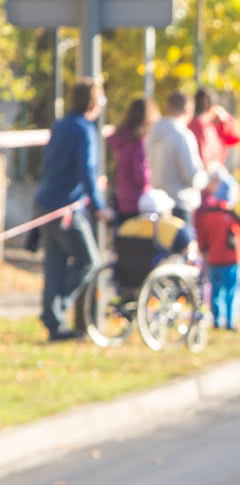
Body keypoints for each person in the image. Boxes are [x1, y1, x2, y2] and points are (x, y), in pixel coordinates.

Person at [33, 78, 110, 343]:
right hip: (65, 208)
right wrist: (98, 205)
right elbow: (86, 170)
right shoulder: (84, 130)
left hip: (45, 202)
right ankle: (56, 311)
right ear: (94, 102)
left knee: (54, 265)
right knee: (89, 260)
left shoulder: (61, 125)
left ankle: (54, 323)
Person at [193, 172, 240, 331]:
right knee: (232, 292)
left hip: (214, 259)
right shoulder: (232, 216)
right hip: (232, 260)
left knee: (216, 291)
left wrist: (204, 251)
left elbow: (202, 239)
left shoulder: (207, 216)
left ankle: (217, 320)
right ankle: (230, 322)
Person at [145, 90, 207, 221]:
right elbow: (192, 176)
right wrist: (205, 178)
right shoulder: (182, 135)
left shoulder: (151, 132)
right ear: (188, 110)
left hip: (157, 202)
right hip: (180, 202)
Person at [107, 97, 154, 227]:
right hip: (139, 202)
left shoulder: (121, 141)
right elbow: (141, 176)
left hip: (123, 198)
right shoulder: (138, 143)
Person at [188, 87, 240, 172]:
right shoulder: (199, 125)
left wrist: (225, 120)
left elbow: (235, 138)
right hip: (206, 173)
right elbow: (205, 156)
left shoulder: (215, 122)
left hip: (212, 170)